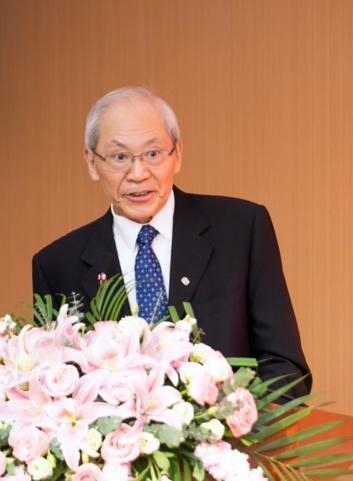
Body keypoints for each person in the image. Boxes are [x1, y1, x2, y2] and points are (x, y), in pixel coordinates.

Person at [32, 87, 311, 398]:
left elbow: (285, 367)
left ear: (177, 154)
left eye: (153, 154)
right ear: (92, 162)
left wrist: (228, 418)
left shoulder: (241, 229)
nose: (138, 174)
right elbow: (55, 389)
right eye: (120, 157)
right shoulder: (57, 265)